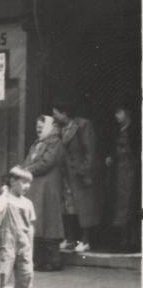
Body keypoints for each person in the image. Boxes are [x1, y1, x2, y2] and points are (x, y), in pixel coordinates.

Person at [51, 100, 100, 253]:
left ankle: (86, 240)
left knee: (85, 208)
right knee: (68, 207)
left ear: (64, 113)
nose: (54, 116)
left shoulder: (83, 125)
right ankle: (71, 239)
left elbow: (90, 151)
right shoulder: (59, 128)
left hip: (79, 173)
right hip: (66, 174)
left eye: (55, 113)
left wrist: (86, 172)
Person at [0, 167, 37, 288]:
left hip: (24, 245)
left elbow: (30, 225)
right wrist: (5, 194)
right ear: (12, 181)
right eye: (23, 182)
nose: (27, 186)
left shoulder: (27, 203)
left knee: (26, 276)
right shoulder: (4, 200)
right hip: (7, 243)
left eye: (29, 183)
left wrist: (30, 246)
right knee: (1, 277)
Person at [22, 115, 65, 271]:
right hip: (37, 188)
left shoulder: (55, 142)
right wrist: (23, 169)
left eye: (41, 126)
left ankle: (54, 261)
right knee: (38, 225)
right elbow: (28, 160)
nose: (38, 129)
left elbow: (47, 162)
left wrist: (27, 170)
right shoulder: (38, 143)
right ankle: (40, 260)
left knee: (50, 224)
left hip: (49, 188)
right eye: (37, 126)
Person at [109, 103, 141, 252]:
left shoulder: (135, 131)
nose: (116, 116)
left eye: (119, 112)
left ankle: (132, 241)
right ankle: (122, 241)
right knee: (119, 205)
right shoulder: (116, 130)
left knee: (130, 204)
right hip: (119, 172)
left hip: (131, 172)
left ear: (126, 113)